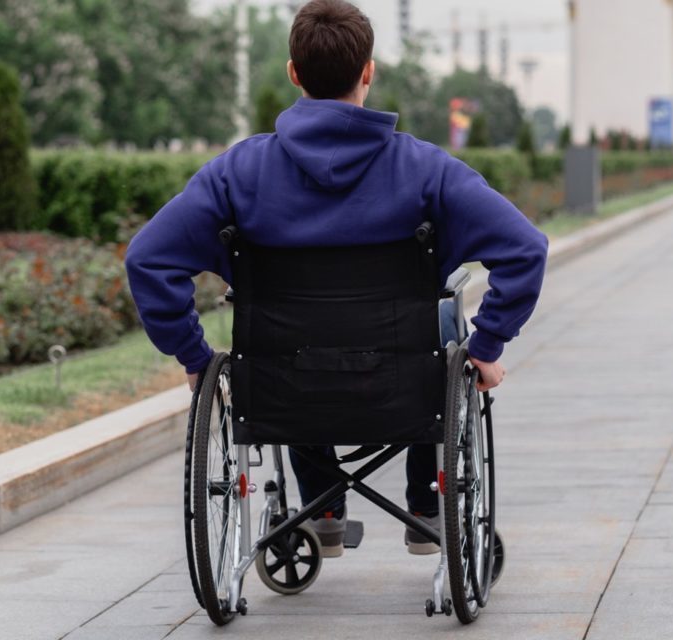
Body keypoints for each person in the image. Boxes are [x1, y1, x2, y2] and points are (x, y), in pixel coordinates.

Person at [125, 0, 547, 557]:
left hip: (284, 384)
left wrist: (195, 358)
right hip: (403, 381)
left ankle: (321, 505)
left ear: (294, 74)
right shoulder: (425, 168)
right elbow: (525, 247)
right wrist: (488, 343)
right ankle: (425, 504)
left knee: (293, 336)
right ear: (368, 71)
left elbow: (147, 258)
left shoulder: (238, 172)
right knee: (443, 315)